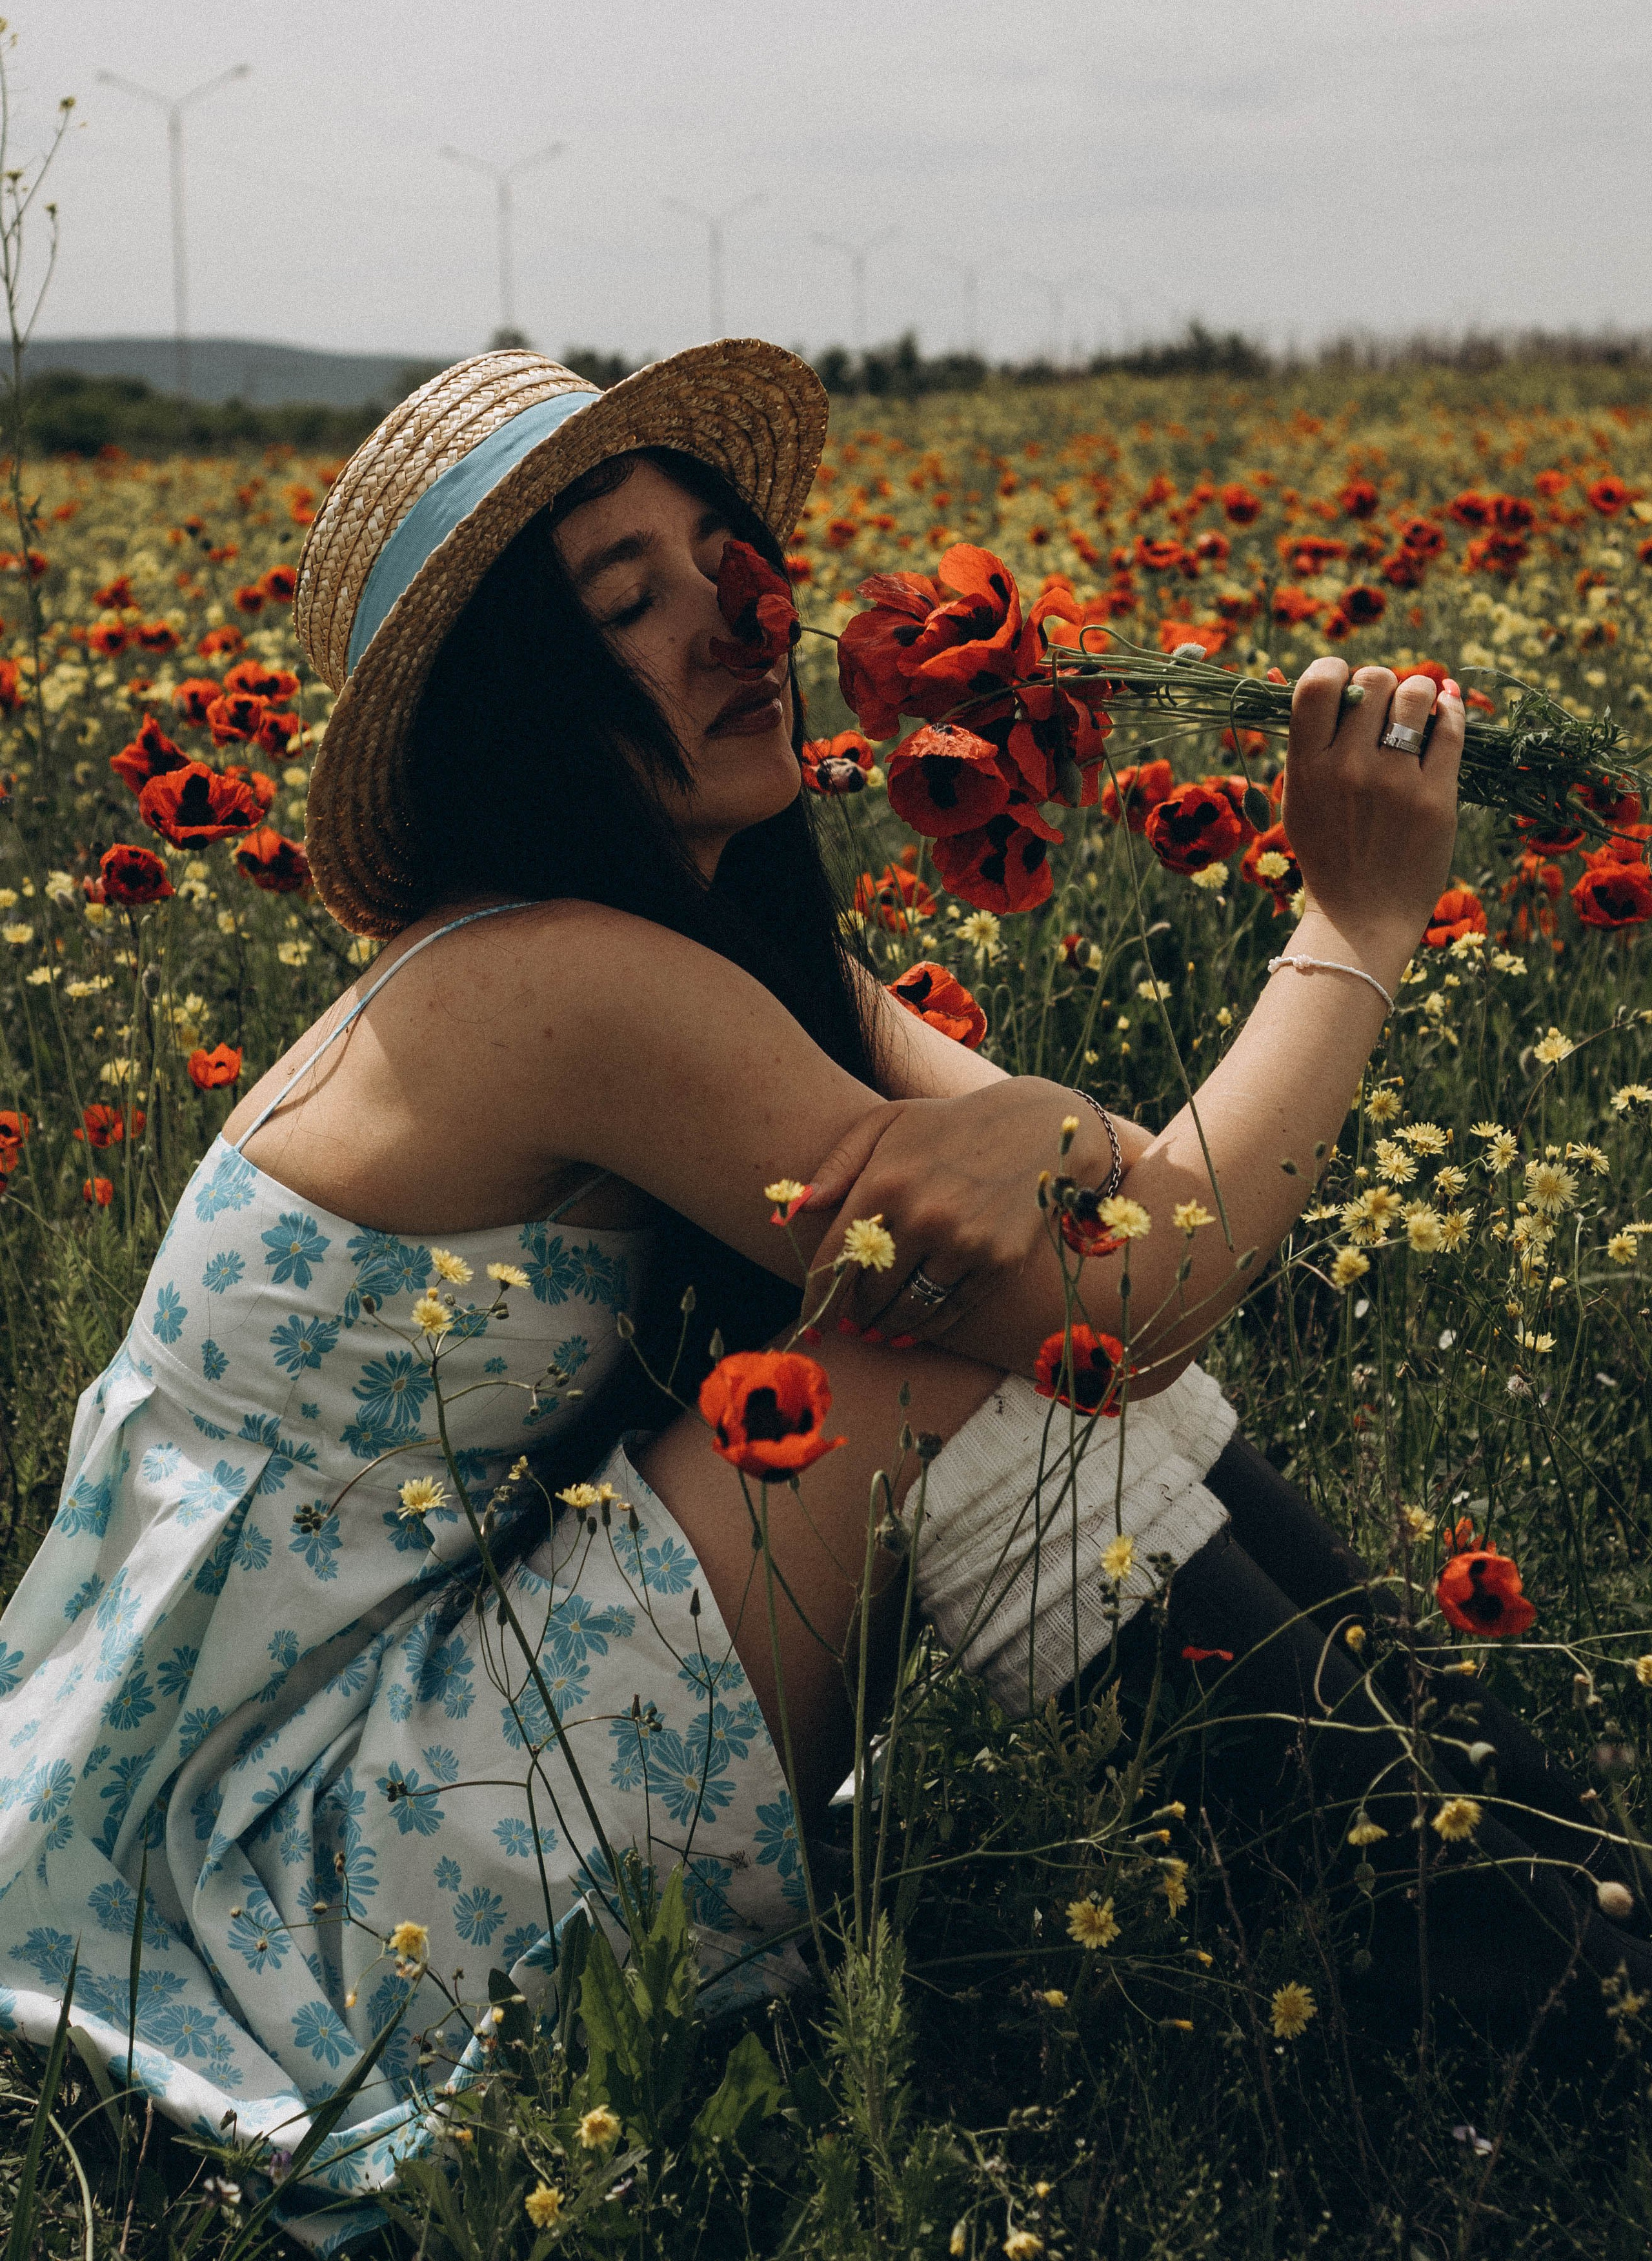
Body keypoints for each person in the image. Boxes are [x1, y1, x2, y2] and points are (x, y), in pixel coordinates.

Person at [0, 341, 1642, 2222]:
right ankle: (1516, 1970)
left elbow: (1100, 1229)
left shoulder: (714, 947)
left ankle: (1533, 1869)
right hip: (287, 1865)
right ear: (521, 720)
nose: (736, 616)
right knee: (925, 1362)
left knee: (965, 1327)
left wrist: (1024, 1131)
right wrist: (1351, 923)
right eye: (632, 599)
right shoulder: (562, 984)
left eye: (724, 557)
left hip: (362, 1758)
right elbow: (1132, 1293)